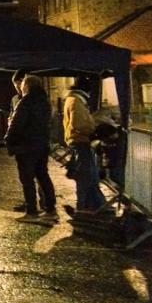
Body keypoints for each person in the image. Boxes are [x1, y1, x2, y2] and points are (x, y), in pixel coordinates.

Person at [5, 74, 57, 222]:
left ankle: (31, 211)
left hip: (26, 146)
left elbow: (17, 125)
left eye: (22, 86)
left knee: (27, 179)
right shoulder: (44, 102)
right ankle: (51, 209)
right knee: (43, 176)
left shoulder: (25, 102)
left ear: (26, 86)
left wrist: (8, 139)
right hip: (41, 144)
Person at [63, 77, 105, 213]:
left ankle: (95, 204)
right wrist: (94, 131)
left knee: (88, 176)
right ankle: (85, 207)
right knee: (86, 176)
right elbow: (79, 123)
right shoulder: (76, 101)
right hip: (80, 142)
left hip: (78, 141)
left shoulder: (73, 99)